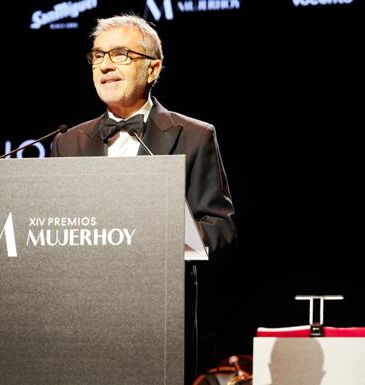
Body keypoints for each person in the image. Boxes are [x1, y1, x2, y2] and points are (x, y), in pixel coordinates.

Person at [50, 13, 237, 383]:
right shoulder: (66, 142)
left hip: (156, 319)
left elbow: (220, 228)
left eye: (120, 54)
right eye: (98, 55)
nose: (105, 65)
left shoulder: (194, 136)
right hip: (79, 319)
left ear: (153, 70)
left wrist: (159, 242)